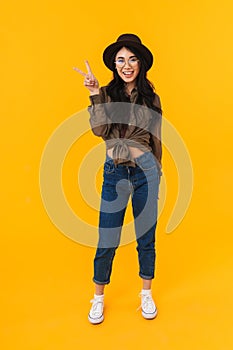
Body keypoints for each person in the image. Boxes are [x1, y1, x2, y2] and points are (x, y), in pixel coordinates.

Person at [74, 34, 162, 324]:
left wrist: (157, 172)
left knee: (146, 238)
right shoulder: (108, 94)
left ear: (140, 64)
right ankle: (98, 298)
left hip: (146, 173)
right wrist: (93, 93)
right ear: (114, 64)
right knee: (107, 238)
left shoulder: (151, 97)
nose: (127, 65)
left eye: (132, 59)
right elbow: (99, 130)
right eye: (121, 59)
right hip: (115, 174)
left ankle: (146, 293)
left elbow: (155, 138)